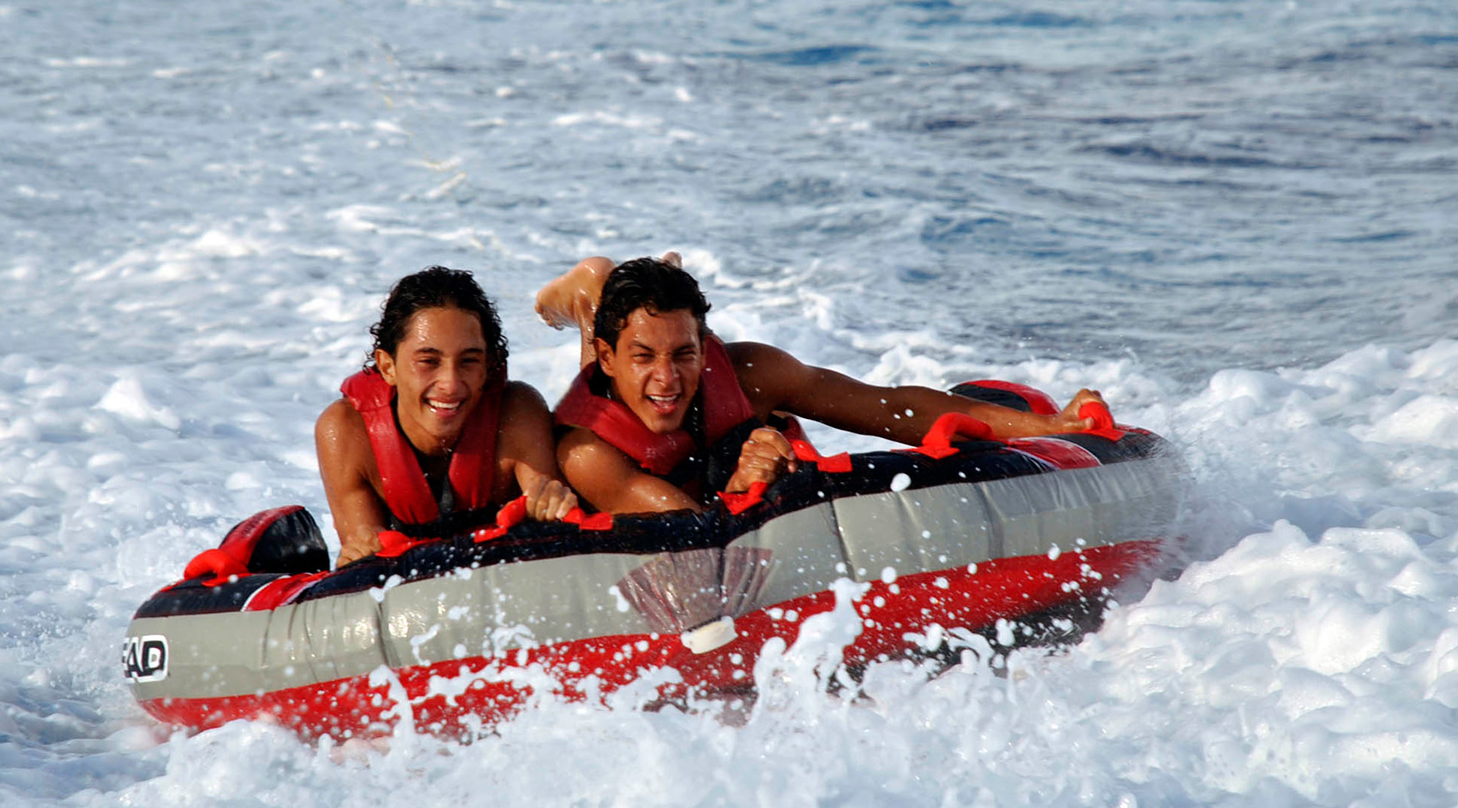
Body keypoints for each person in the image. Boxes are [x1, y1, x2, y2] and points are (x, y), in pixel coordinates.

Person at [537, 255, 1111, 515]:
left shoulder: (746, 371)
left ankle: (625, 294)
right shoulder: (587, 454)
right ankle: (588, 286)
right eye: (647, 356)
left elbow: (888, 407)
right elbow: (692, 533)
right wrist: (740, 488)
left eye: (687, 353)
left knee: (653, 350)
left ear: (706, 346)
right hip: (620, 418)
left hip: (672, 399)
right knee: (605, 317)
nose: (669, 377)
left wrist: (1050, 428)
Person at [317, 266, 577, 566]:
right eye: (428, 361)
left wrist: (551, 504)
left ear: (488, 367)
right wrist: (360, 555)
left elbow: (556, 536)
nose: (450, 384)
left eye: (468, 361)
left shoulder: (517, 413)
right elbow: (365, 563)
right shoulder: (347, 431)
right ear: (387, 367)